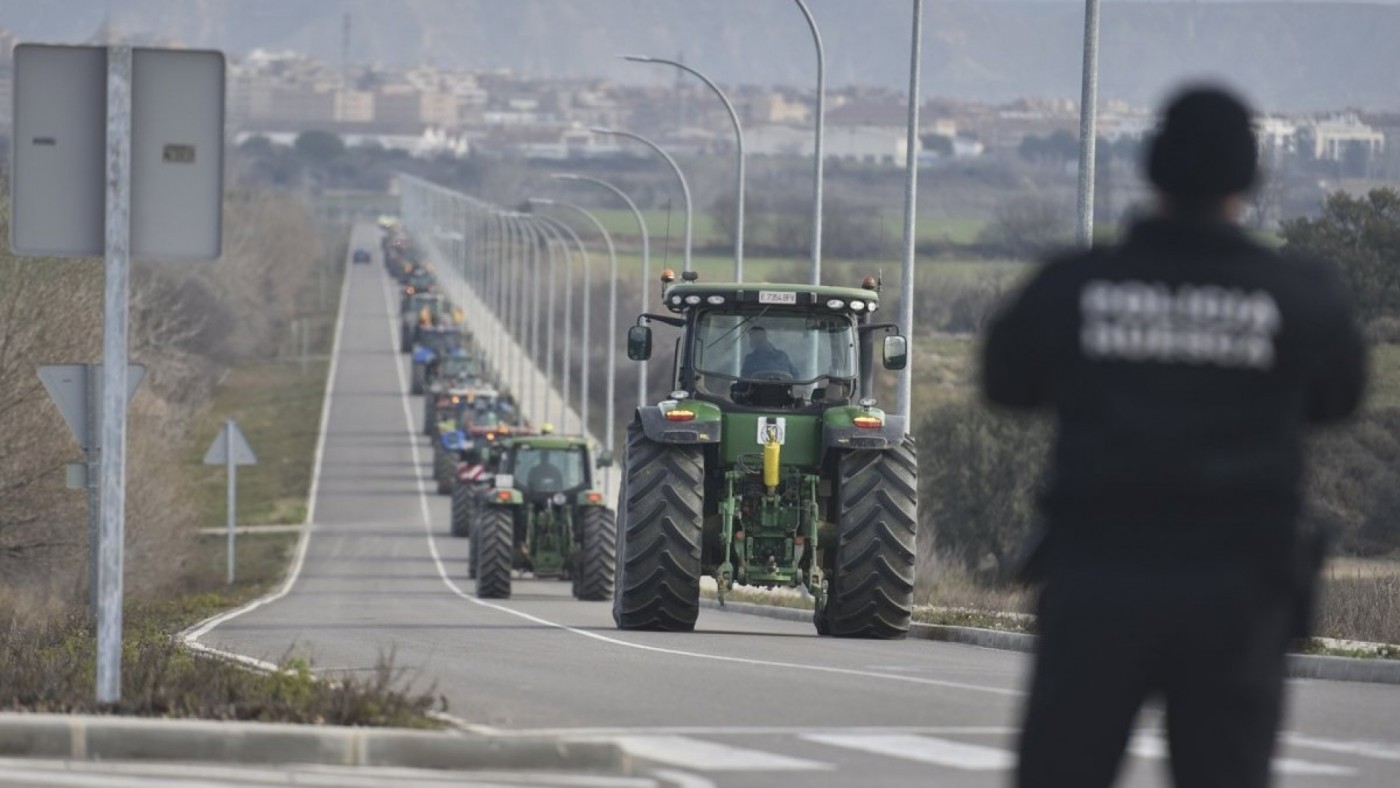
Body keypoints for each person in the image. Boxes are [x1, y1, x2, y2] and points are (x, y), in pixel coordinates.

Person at [982, 85, 1365, 788]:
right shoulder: (1297, 296)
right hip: (1240, 593)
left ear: (1153, 168)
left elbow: (1005, 381)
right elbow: (1339, 398)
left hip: (1099, 580)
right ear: (1249, 179)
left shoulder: (1076, 287)